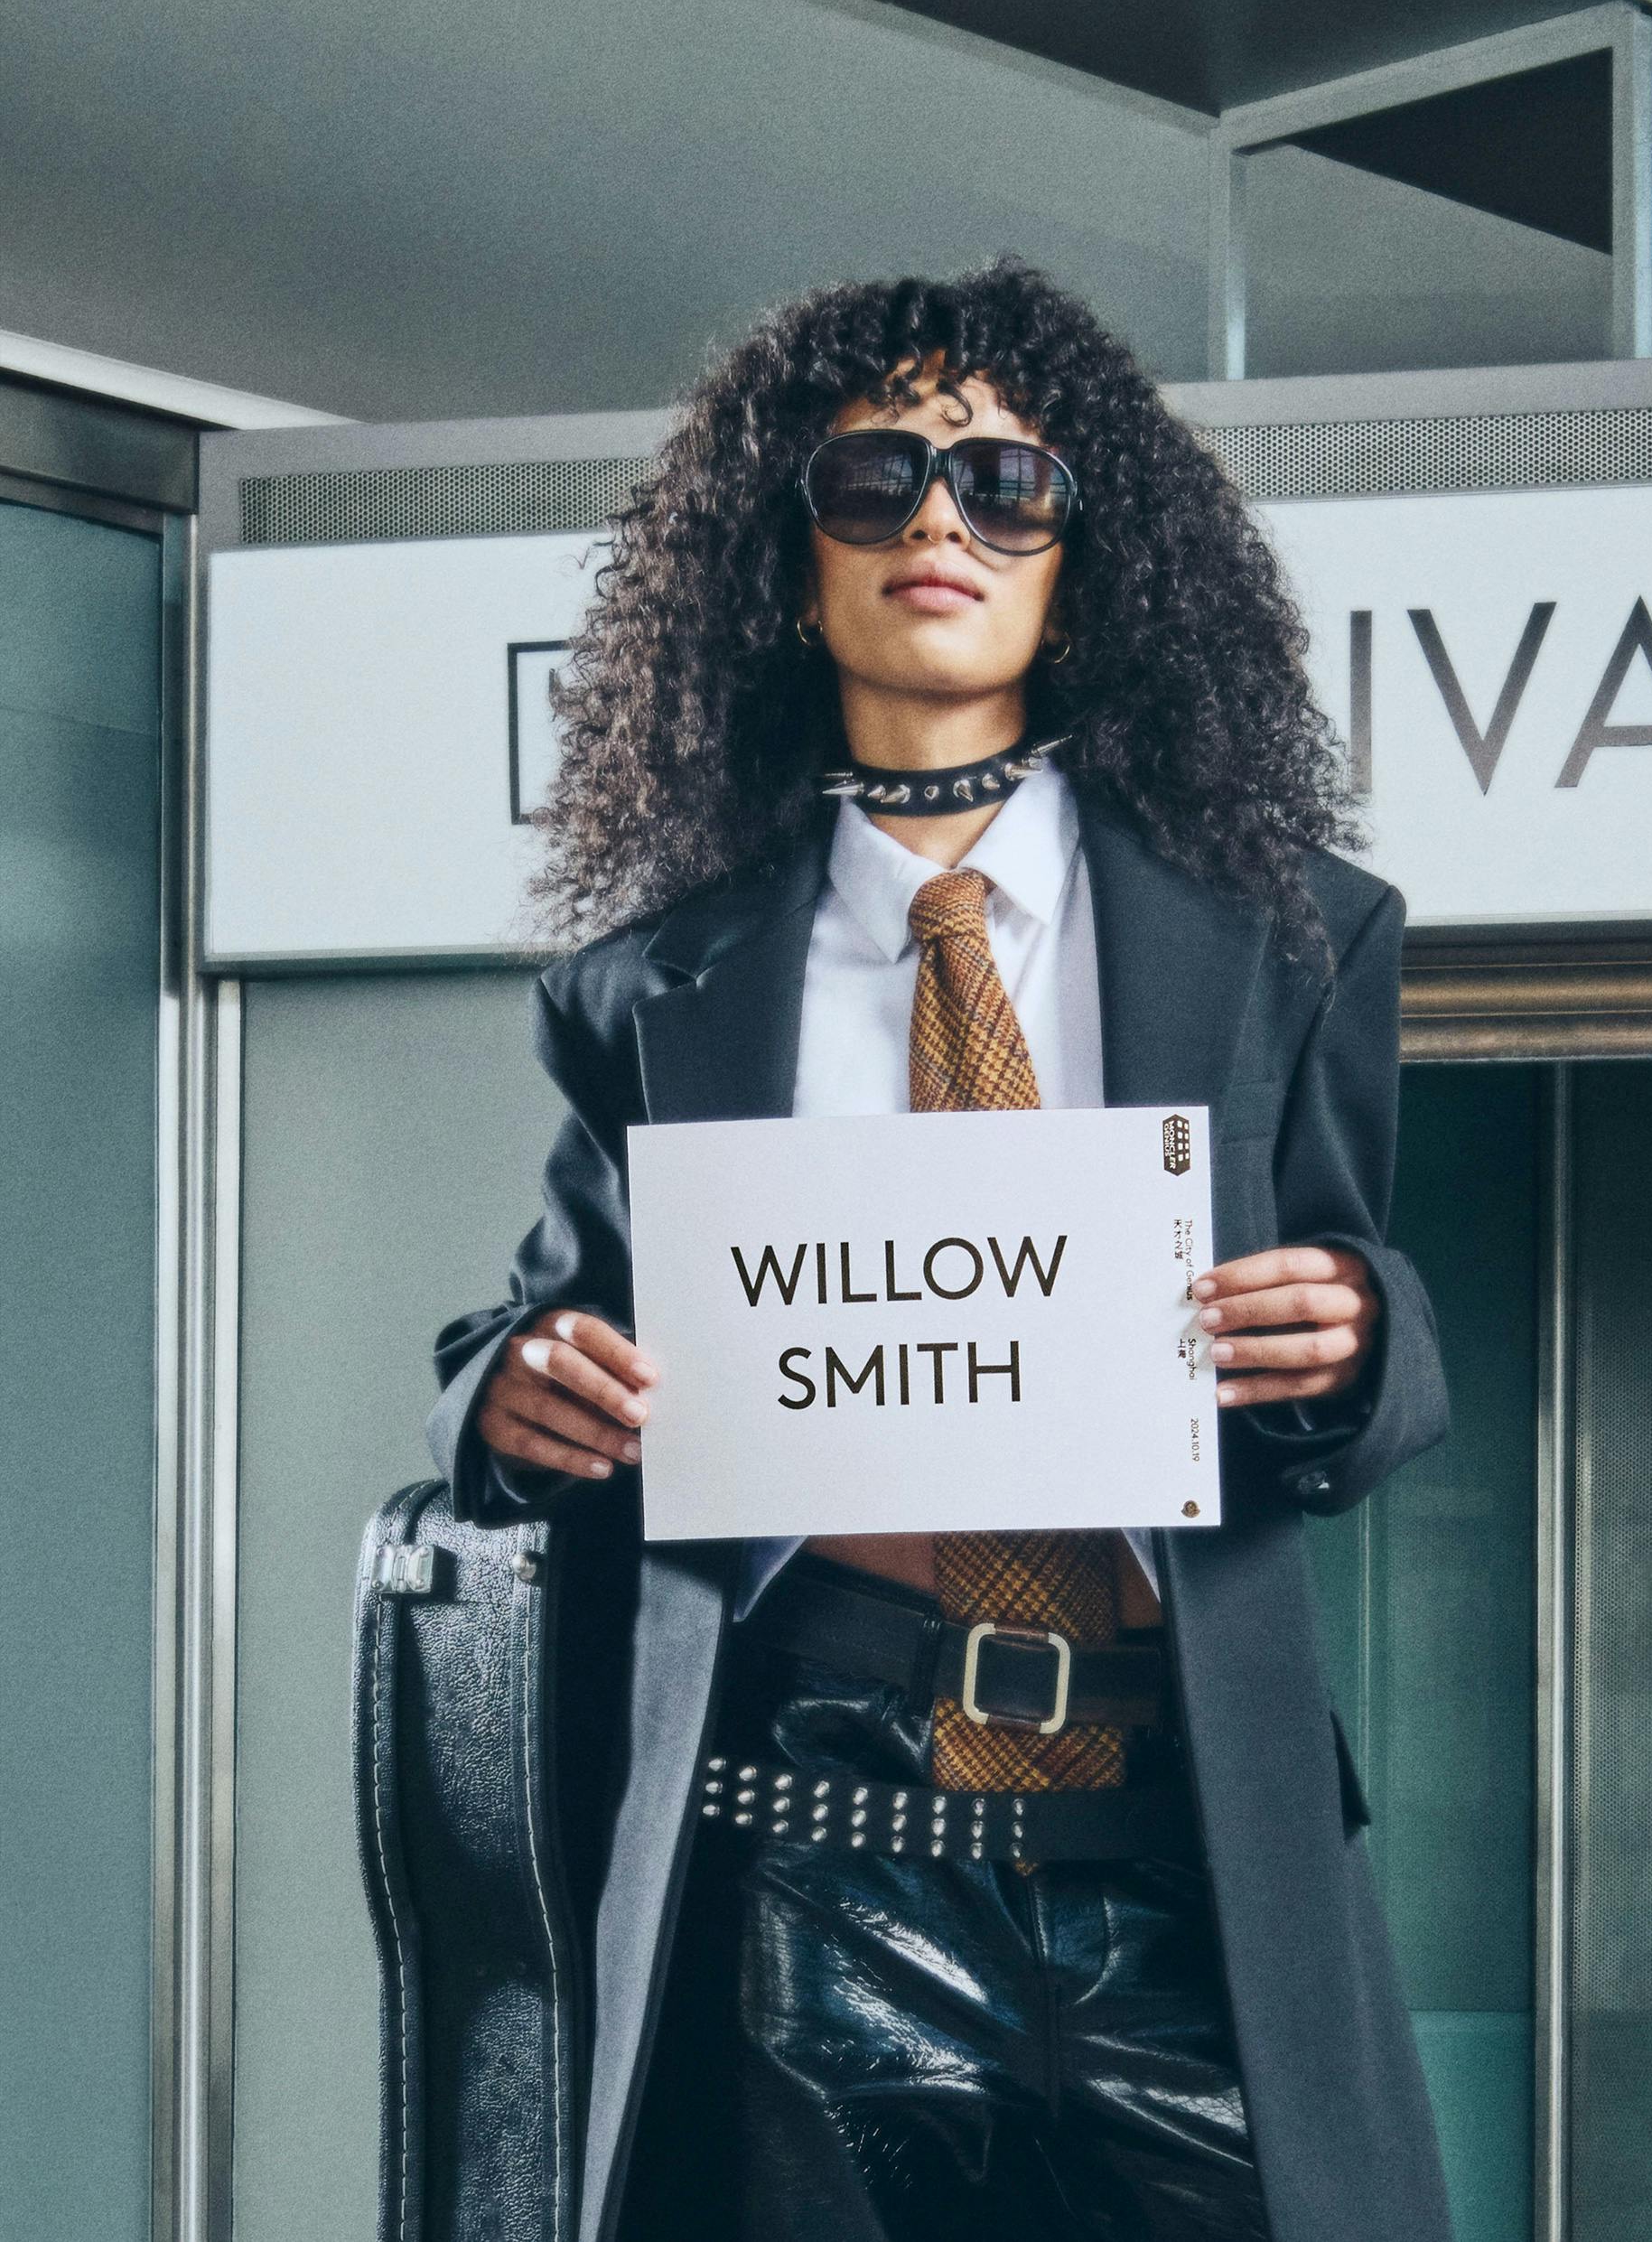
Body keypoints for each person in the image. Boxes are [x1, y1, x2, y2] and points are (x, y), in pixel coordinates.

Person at [425, 256, 1452, 2242]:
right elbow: (536, 1324)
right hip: (816, 1838)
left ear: (1092, 558)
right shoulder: (657, 984)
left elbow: (1365, 1302)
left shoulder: (1293, 933)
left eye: (1004, 483)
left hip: (1179, 1843)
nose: (936, 525)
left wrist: (1342, 1338)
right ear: (775, 559)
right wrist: (520, 1390)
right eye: (871, 476)